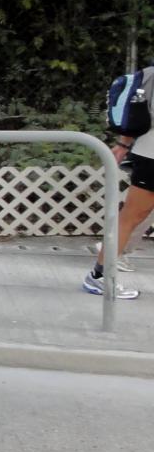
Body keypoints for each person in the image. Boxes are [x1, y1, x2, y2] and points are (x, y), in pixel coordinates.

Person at [86, 88, 154, 299]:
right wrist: (123, 144)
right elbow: (139, 110)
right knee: (131, 217)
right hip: (151, 154)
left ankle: (99, 276)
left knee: (130, 218)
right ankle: (99, 276)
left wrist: (124, 144)